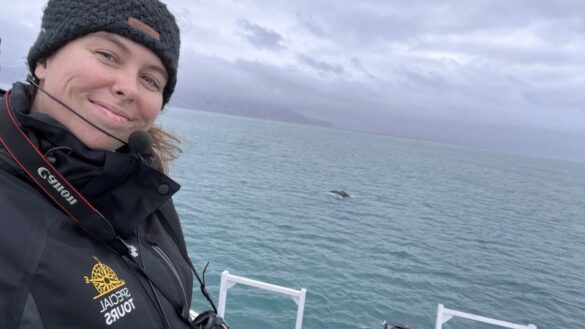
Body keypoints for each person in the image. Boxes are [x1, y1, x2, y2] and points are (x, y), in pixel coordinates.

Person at [0, 0, 226, 328]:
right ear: (44, 60)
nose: (128, 88)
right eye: (108, 55)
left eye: (151, 80)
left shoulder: (143, 181)